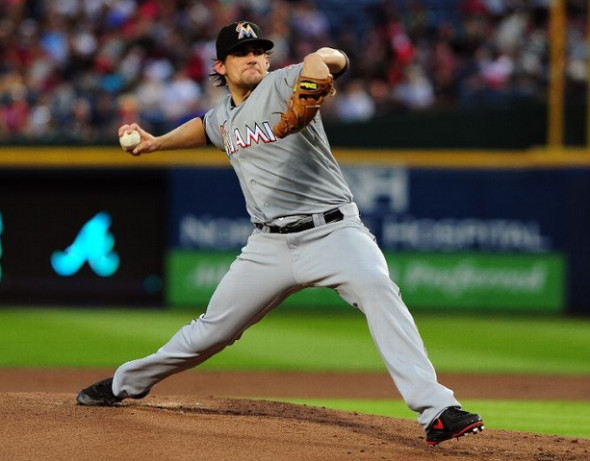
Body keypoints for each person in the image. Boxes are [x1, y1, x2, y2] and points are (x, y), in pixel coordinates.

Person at [76, 21, 484, 446]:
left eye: (260, 51)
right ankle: (126, 382)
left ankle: (438, 411)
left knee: (379, 288)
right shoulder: (224, 118)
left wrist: (315, 65)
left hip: (334, 232)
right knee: (212, 331)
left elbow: (331, 59)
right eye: (242, 52)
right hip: (268, 245)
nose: (254, 57)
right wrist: (155, 142)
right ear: (221, 65)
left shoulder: (286, 81)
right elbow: (205, 126)